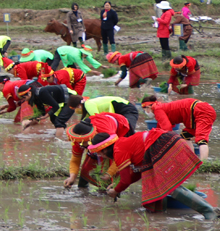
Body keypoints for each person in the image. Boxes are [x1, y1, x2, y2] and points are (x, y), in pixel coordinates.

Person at [82, 119, 214, 219]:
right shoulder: (122, 144)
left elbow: (126, 179)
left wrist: (116, 190)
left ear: (105, 148)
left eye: (99, 152)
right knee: (160, 184)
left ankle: (208, 211)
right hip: (165, 141)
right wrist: (117, 185)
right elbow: (135, 173)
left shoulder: (118, 150)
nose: (100, 155)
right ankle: (159, 214)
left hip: (161, 144)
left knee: (169, 186)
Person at [141, 94, 214, 161]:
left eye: (145, 110)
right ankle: (192, 160)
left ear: (148, 107)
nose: (146, 112)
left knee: (201, 138)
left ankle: (204, 163)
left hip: (201, 111)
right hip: (193, 113)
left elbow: (167, 129)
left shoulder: (157, 109)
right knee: (185, 136)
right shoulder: (160, 107)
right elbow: (159, 130)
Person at [70, 93, 140, 133]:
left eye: (74, 108)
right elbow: (85, 122)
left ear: (79, 105)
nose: (75, 111)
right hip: (117, 112)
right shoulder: (87, 110)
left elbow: (97, 119)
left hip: (126, 108)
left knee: (128, 129)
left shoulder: (88, 104)